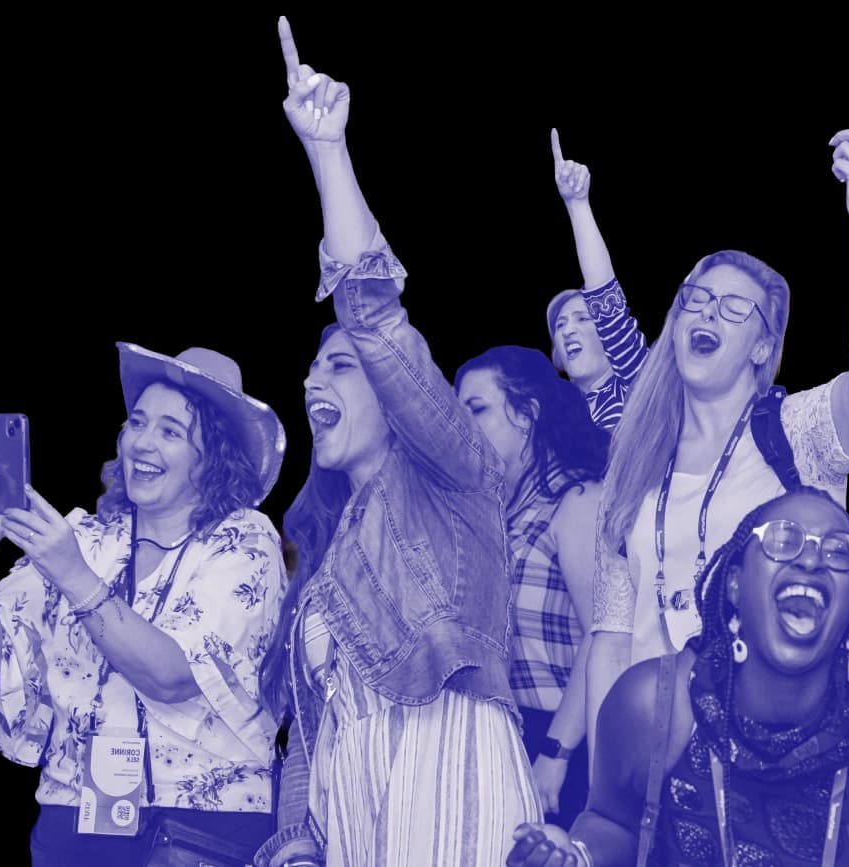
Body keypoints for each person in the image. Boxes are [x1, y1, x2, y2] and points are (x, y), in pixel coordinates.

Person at [252, 17, 540, 867]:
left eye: (336, 367)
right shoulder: (324, 543)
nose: (313, 382)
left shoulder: (458, 472)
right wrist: (300, 834)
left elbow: (375, 317)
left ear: (391, 390)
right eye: (310, 371)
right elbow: (312, 720)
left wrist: (326, 154)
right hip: (353, 794)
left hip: (444, 757)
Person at [585, 104, 849, 758]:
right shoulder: (637, 465)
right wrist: (603, 783)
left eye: (733, 309)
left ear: (763, 346)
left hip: (777, 758)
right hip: (657, 765)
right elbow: (613, 636)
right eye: (694, 301)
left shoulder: (794, 435)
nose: (706, 313)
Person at [508, 486, 849, 866]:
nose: (810, 558)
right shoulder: (654, 704)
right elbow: (612, 822)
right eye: (784, 539)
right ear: (735, 584)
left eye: (839, 551)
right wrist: (578, 854)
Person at [0, 341, 289, 865]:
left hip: (198, 833)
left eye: (171, 432)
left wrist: (74, 576)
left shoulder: (243, 541)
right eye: (138, 423)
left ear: (213, 458)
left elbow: (172, 675)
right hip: (73, 825)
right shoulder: (84, 537)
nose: (143, 443)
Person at [455, 345, 610, 829]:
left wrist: (557, 752)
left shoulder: (578, 501)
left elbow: (603, 634)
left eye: (476, 409)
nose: (462, 426)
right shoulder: (498, 514)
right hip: (502, 738)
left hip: (561, 740)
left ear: (527, 413)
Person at [546, 128, 647, 432]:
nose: (568, 330)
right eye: (560, 325)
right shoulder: (552, 421)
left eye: (582, 319)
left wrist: (577, 206)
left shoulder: (639, 390)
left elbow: (607, 304)